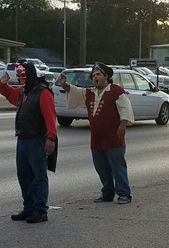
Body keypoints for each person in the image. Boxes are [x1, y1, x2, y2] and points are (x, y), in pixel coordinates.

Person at [57, 62, 135, 204]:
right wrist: (64, 85)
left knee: (118, 167)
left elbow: (125, 108)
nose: (95, 77)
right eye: (93, 75)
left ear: (106, 76)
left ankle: (124, 194)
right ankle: (107, 193)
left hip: (113, 138)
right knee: (101, 168)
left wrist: (123, 124)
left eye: (98, 74)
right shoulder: (90, 93)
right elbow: (76, 92)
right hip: (97, 139)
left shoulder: (116, 91)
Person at [0, 62, 57, 223]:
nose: (20, 78)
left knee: (38, 176)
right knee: (24, 175)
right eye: (18, 75)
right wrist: (2, 83)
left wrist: (51, 138)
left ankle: (40, 210)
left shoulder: (43, 92)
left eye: (22, 75)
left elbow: (50, 116)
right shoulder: (24, 92)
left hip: (37, 140)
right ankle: (29, 207)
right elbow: (10, 93)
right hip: (23, 139)